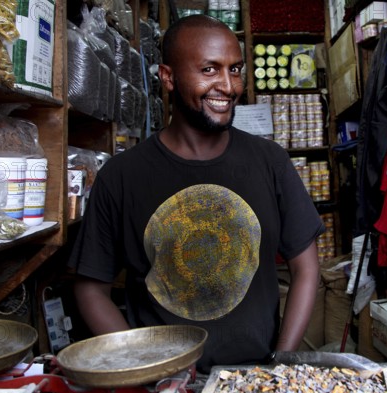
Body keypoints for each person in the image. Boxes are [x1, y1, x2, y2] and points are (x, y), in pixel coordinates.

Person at [68, 14, 325, 372]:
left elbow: (306, 268)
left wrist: (278, 365)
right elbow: (90, 288)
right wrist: (144, 371)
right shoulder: (121, 177)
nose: (228, 85)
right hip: (165, 382)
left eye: (235, 70)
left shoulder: (270, 162)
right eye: (209, 70)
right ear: (168, 77)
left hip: (255, 374)